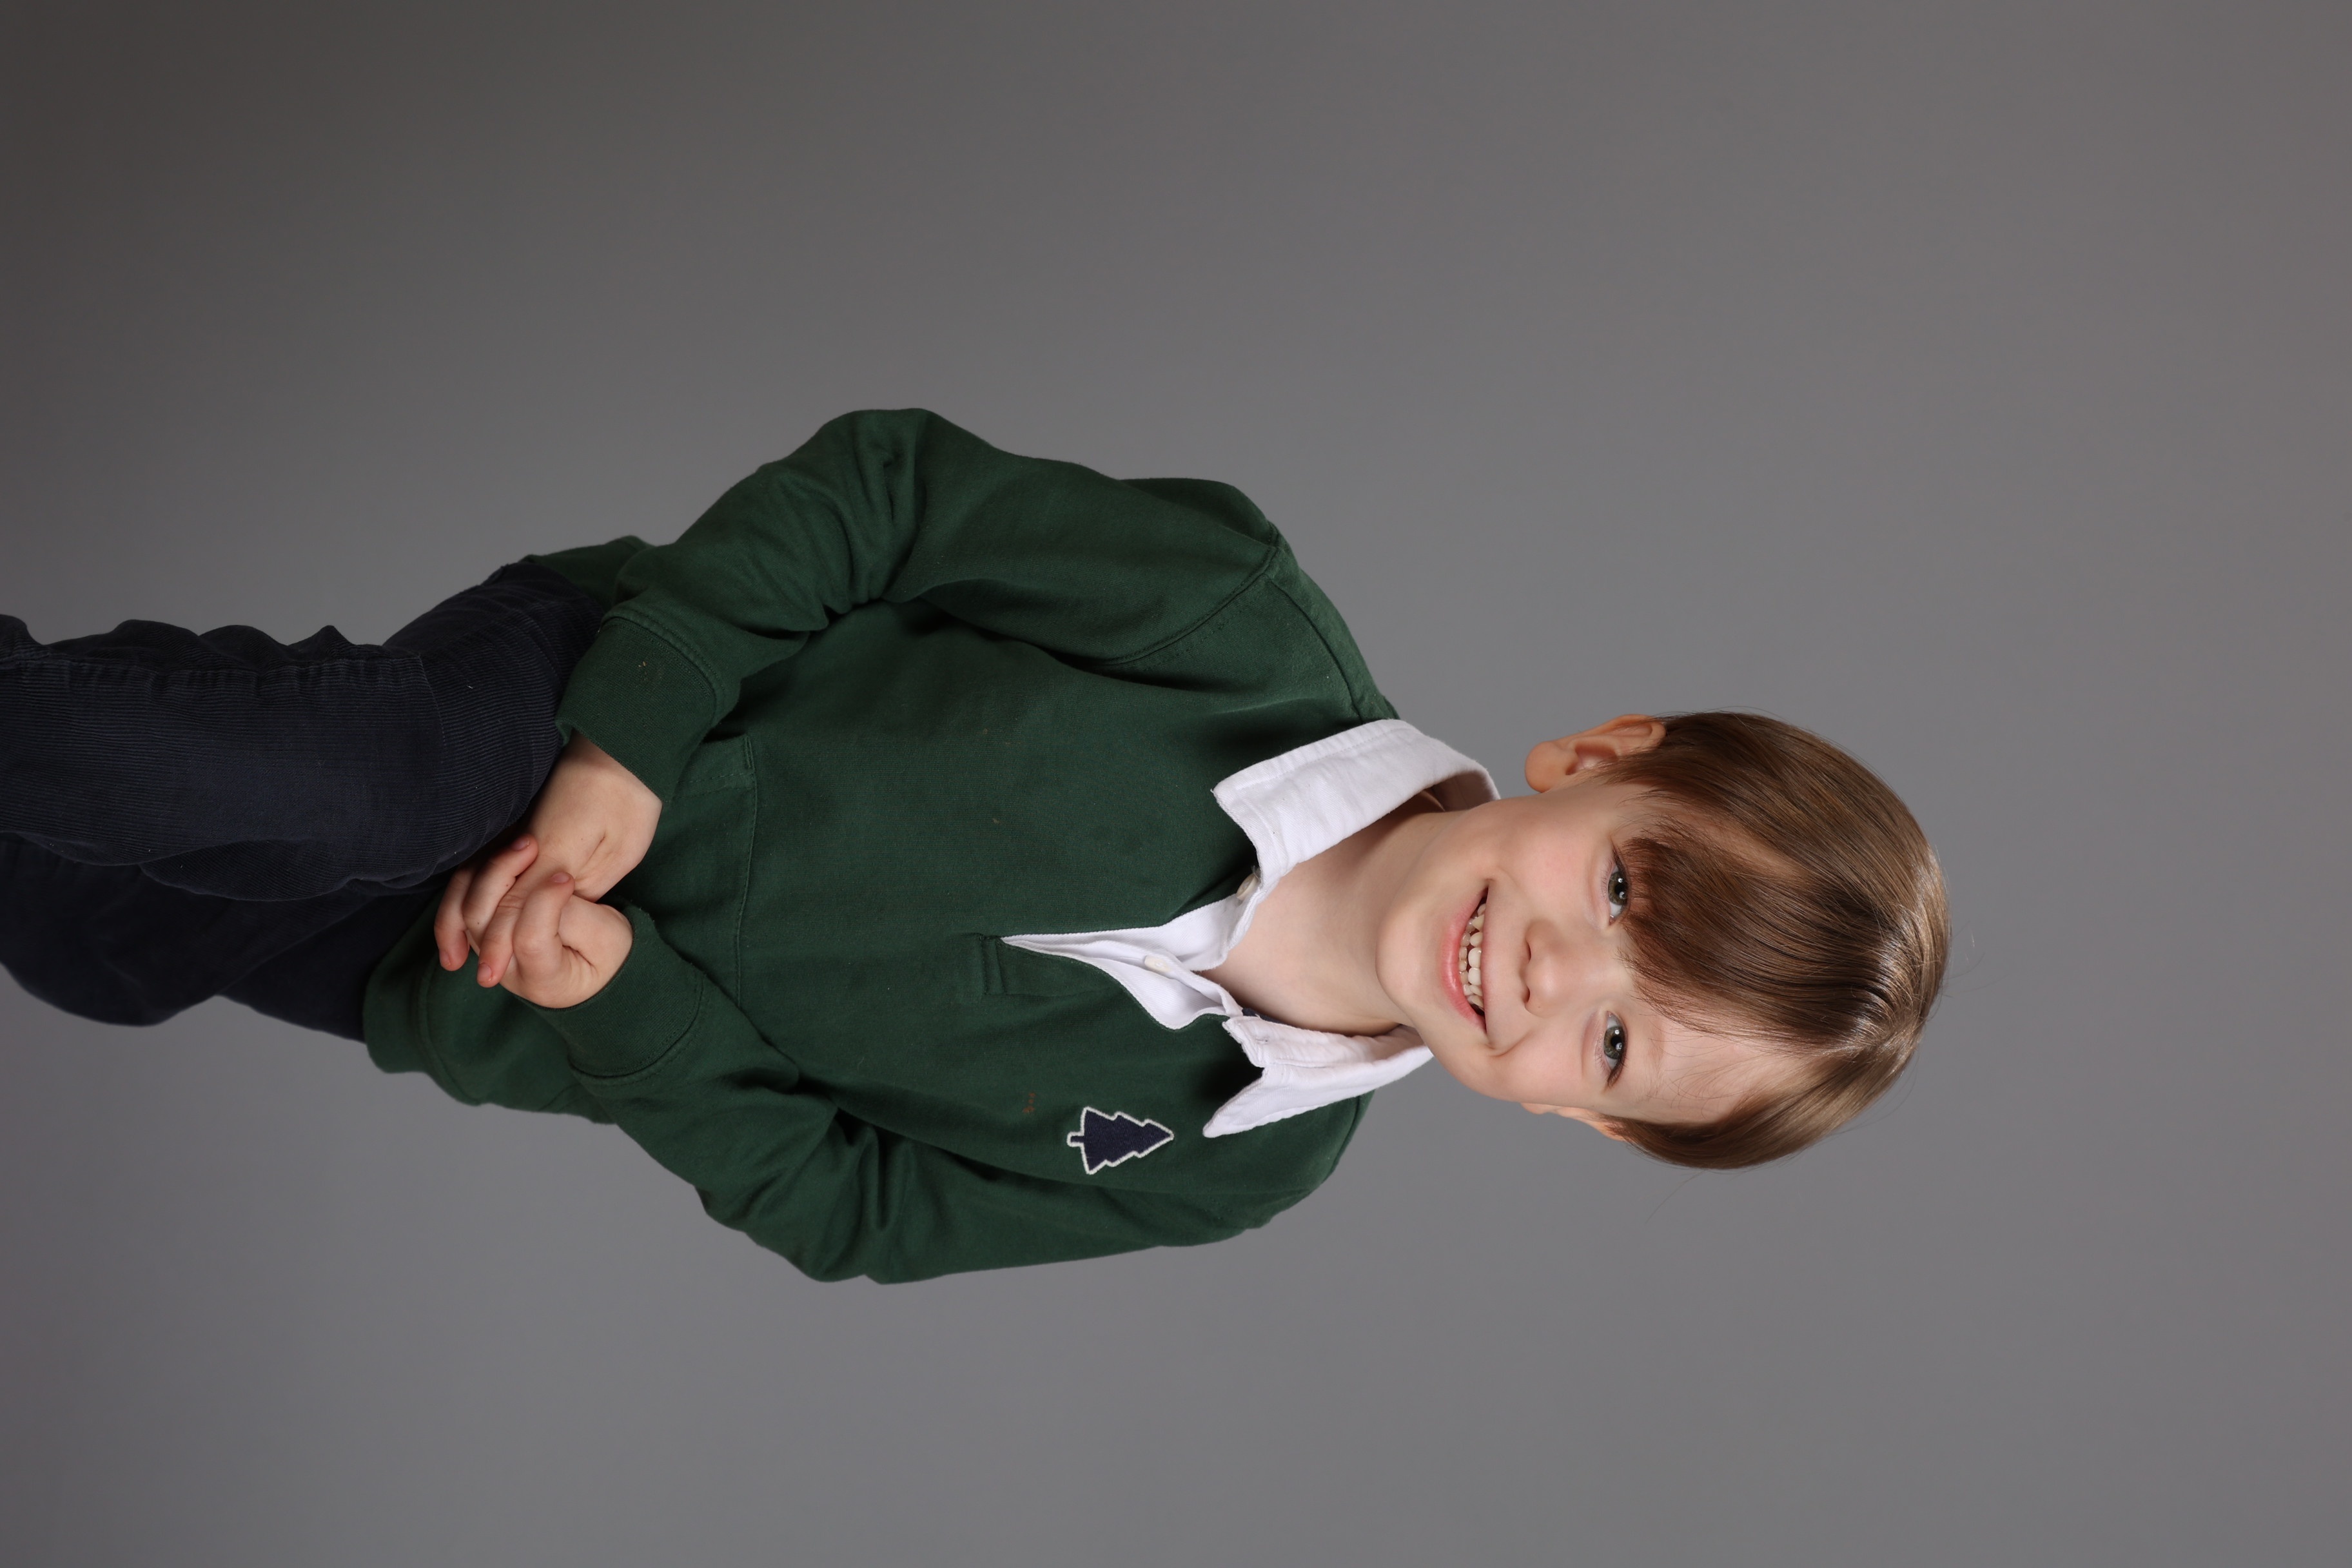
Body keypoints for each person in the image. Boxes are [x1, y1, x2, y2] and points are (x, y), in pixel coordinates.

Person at [1, 409, 1948, 1283]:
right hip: (587, 693)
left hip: (487, 990)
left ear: (1590, 1124)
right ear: (1599, 759)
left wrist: (625, 1008)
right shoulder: (1235, 625)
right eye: (1621, 890)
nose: (1547, 975)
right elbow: (887, 496)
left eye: (1614, 1040)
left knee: (104, 941)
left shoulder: (1228, 1174)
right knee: (305, 783)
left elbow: (853, 1208)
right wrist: (628, 744)